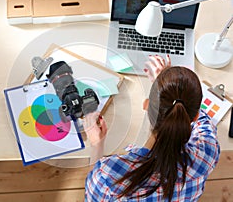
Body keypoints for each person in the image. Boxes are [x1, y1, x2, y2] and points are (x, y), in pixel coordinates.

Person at [83, 55, 220, 201]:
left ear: (146, 105)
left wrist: (96, 145)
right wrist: (168, 91)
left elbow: (93, 196)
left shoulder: (107, 177)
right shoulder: (208, 150)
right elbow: (203, 121)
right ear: (194, 117)